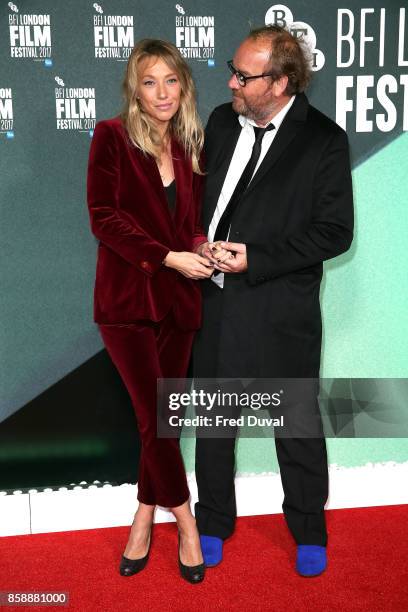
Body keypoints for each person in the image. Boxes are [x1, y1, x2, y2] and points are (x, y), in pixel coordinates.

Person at [193, 25, 354, 576]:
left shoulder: (323, 140)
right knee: (214, 422)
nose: (232, 82)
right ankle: (211, 520)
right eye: (234, 71)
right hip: (214, 302)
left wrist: (255, 258)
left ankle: (309, 528)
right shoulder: (219, 120)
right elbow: (195, 201)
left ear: (281, 82)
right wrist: (196, 242)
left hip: (281, 305)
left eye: (245, 76)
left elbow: (334, 233)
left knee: (296, 423)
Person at [86, 38, 214, 583]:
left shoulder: (189, 144)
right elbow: (103, 217)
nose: (162, 92)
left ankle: (142, 518)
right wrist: (168, 257)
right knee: (155, 419)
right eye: (149, 81)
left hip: (179, 305)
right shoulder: (112, 137)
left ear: (183, 85)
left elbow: (187, 223)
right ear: (134, 90)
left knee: (161, 422)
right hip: (127, 305)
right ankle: (185, 522)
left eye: (170, 80)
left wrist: (200, 246)